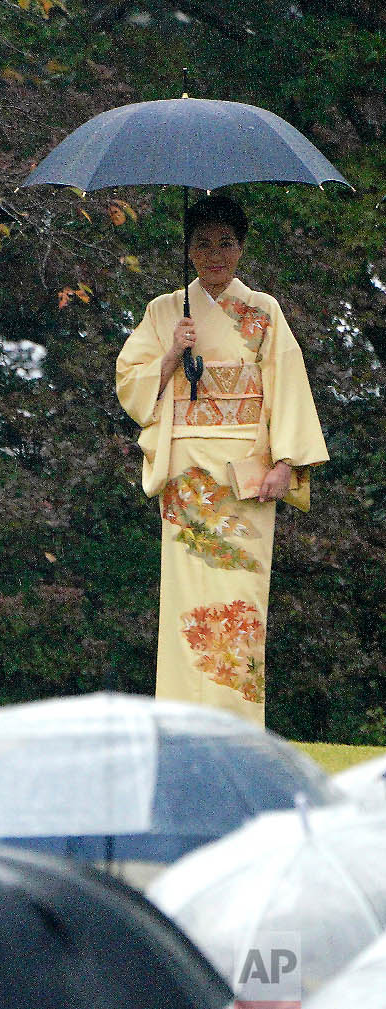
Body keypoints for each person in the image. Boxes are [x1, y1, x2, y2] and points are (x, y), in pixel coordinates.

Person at [116, 194, 327, 726]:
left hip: (245, 475)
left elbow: (289, 386)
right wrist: (170, 354)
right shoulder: (164, 311)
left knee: (241, 594)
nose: (215, 254)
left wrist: (286, 462)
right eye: (203, 244)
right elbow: (128, 383)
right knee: (187, 599)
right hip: (188, 473)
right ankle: (183, 718)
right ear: (188, 251)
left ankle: (236, 720)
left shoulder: (264, 311)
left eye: (225, 244)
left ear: (241, 248)